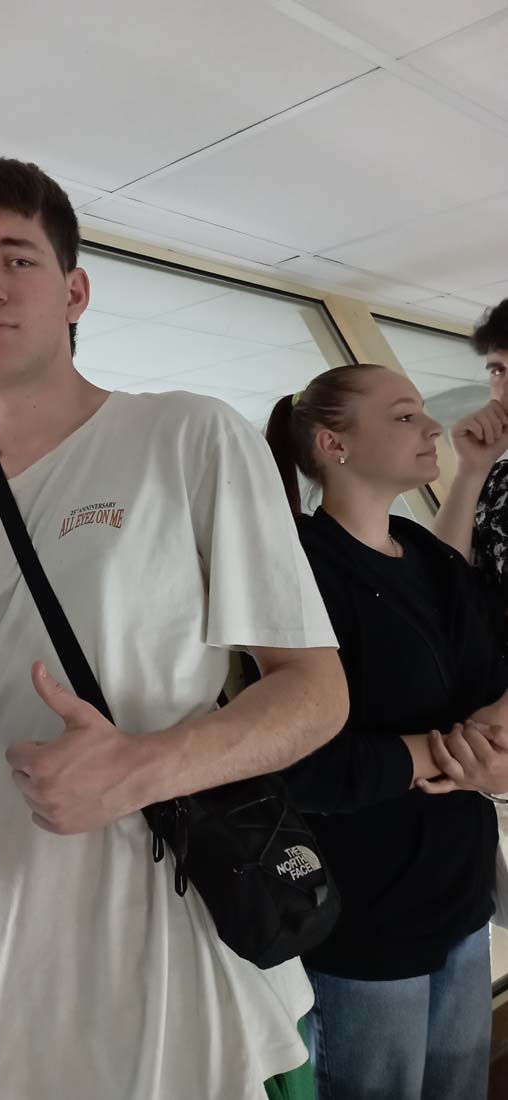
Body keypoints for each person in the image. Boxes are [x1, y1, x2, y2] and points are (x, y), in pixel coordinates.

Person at [0, 156, 349, 1100]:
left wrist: (143, 767)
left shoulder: (186, 437)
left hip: (170, 929)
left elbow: (314, 690)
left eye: (17, 258)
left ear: (74, 292)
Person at [265, 364, 508, 1100]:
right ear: (332, 444)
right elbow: (304, 764)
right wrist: (441, 752)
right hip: (368, 906)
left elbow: (492, 688)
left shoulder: (426, 555)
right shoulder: (299, 567)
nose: (431, 426)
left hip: (460, 890)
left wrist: (490, 757)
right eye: (405, 416)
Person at [433, 298, 508, 651]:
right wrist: (470, 473)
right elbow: (442, 582)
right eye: (498, 370)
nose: (504, 391)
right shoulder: (499, 481)